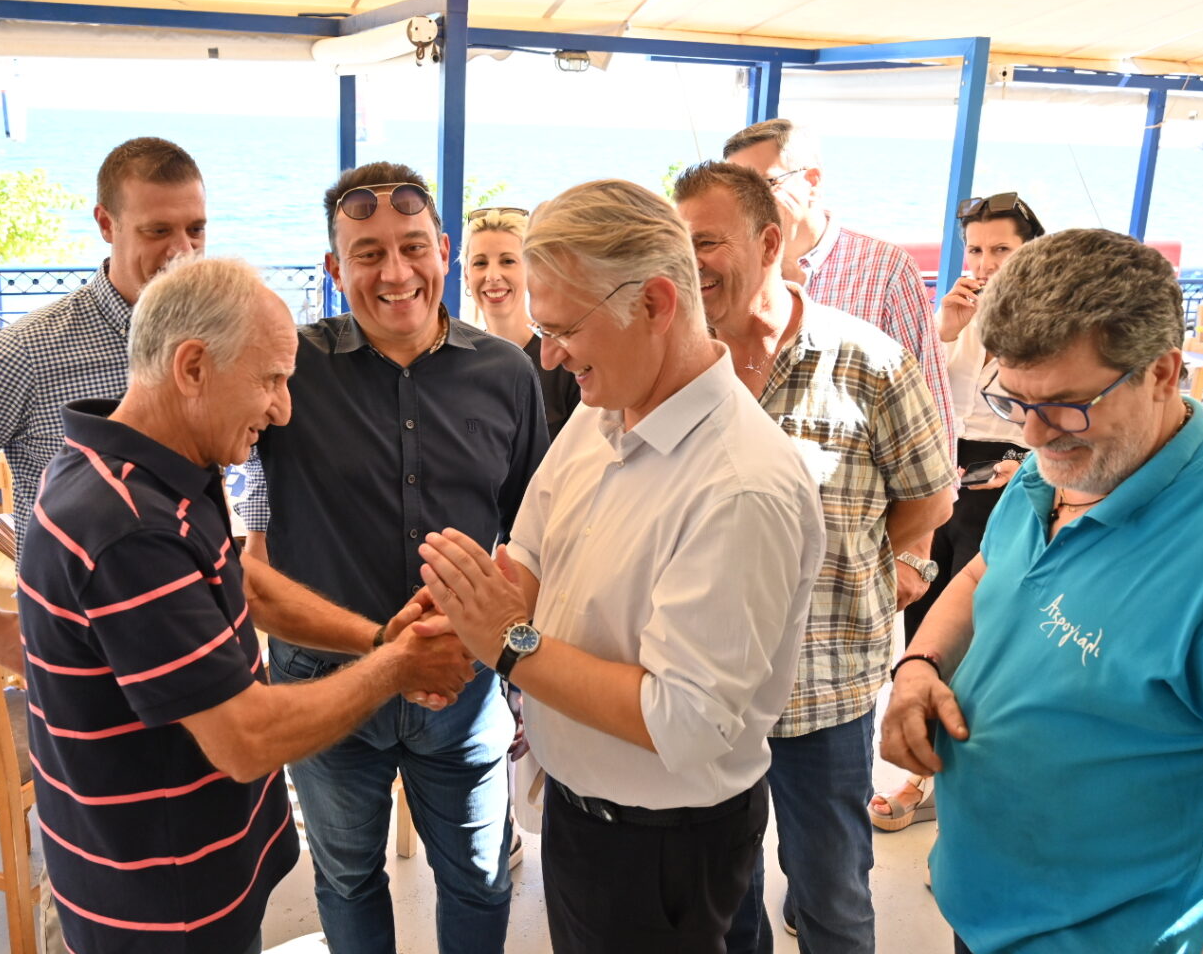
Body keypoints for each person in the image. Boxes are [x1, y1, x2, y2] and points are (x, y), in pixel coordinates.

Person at [18, 255, 476, 954]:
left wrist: (381, 639)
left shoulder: (141, 465)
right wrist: (399, 667)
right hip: (163, 906)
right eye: (270, 379)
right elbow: (245, 739)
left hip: (182, 866)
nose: (283, 409)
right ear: (193, 367)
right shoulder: (128, 530)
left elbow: (243, 582)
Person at [419, 178, 826, 954]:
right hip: (580, 815)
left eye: (565, 328)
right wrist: (457, 626)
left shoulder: (740, 487)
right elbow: (533, 549)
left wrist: (506, 642)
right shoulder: (603, 406)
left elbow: (684, 721)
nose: (548, 354)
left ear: (656, 304)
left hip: (663, 852)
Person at [881, 228, 1203, 954]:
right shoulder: (1064, 463)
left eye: (1067, 403)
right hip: (983, 907)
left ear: (1163, 372)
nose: (1033, 436)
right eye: (1014, 400)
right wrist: (920, 667)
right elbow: (989, 570)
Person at [0, 136, 206, 950]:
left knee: (195, 859)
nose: (183, 252)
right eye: (158, 231)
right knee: (97, 881)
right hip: (85, 666)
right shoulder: (25, 355)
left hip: (198, 647)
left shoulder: (212, 336)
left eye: (197, 229)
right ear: (105, 223)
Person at [240, 162, 549, 954]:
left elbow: (535, 532)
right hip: (325, 679)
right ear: (333, 267)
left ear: (444, 251)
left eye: (413, 247)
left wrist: (496, 644)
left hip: (463, 680)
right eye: (368, 253)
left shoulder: (507, 373)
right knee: (346, 877)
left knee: (480, 878)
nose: (395, 272)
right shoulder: (290, 367)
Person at [670, 163, 954, 954]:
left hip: (824, 686)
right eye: (678, 245)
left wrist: (875, 563)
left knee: (831, 895)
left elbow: (930, 496)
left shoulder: (868, 360)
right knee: (724, 898)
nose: (691, 264)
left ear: (770, 243)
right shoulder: (675, 367)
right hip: (706, 687)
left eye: (707, 242)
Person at [872, 192, 1044, 832]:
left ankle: (955, 781)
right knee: (926, 621)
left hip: (1015, 475)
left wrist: (1027, 465)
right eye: (976, 249)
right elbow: (913, 399)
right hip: (947, 473)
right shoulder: (955, 316)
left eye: (1001, 249)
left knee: (984, 631)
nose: (986, 263)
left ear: (1030, 251)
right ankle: (926, 772)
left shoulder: (1047, 322)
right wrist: (942, 331)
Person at [722, 118, 956, 459]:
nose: (748, 204)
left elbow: (928, 401)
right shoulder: (728, 273)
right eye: (737, 192)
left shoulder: (885, 269)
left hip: (853, 484)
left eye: (764, 184)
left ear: (812, 182)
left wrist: (939, 487)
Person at [464, 205, 581, 438]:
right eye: (480, 263)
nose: (493, 276)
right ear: (467, 276)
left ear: (532, 270)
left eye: (508, 261)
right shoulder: (457, 364)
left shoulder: (563, 362)